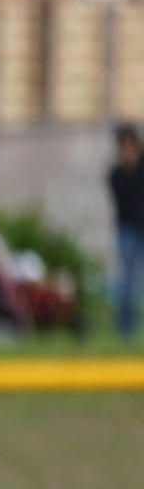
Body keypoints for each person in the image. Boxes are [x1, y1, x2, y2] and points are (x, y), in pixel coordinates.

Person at [111, 125, 144, 342]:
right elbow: (122, 202)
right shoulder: (116, 174)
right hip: (128, 229)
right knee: (127, 279)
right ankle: (126, 327)